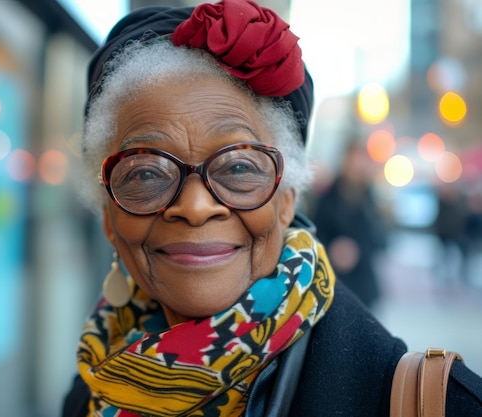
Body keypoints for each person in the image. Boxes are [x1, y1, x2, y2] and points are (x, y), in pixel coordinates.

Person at [63, 1, 482, 416]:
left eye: (240, 167)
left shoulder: (436, 404)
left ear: (286, 202)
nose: (194, 207)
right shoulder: (92, 383)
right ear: (109, 219)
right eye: (147, 174)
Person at [312, 142, 388, 310]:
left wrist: (358, 250)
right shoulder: (327, 196)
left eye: (360, 160)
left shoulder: (371, 198)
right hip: (334, 282)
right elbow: (314, 233)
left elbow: (381, 240)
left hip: (363, 283)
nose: (356, 166)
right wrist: (334, 249)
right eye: (352, 160)